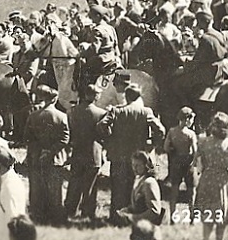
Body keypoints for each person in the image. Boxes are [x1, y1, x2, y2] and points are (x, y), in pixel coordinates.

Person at [98, 83, 166, 224]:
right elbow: (161, 130)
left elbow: (101, 126)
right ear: (138, 96)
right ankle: (133, 217)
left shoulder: (116, 111)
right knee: (136, 188)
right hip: (139, 157)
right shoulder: (145, 111)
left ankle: (117, 217)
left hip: (118, 155)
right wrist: (152, 144)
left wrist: (109, 140)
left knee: (118, 188)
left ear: (126, 96)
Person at [24, 85, 68, 226]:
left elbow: (27, 138)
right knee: (55, 191)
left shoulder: (33, 116)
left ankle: (38, 216)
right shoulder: (62, 116)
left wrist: (38, 151)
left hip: (36, 157)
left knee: (37, 189)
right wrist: (50, 151)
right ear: (54, 99)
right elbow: (64, 139)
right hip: (55, 159)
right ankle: (55, 219)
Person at [194, 112, 228, 240]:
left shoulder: (203, 141)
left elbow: (198, 162)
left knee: (207, 217)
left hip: (207, 179)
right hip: (223, 182)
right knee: (221, 217)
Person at [65, 84, 106, 221]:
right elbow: (105, 134)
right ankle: (88, 212)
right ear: (94, 96)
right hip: (93, 152)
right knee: (91, 185)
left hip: (77, 151)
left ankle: (70, 209)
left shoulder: (73, 111)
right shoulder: (101, 113)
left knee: (74, 182)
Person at [164, 107, 198, 219]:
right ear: (187, 119)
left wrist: (173, 152)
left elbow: (166, 147)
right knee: (191, 191)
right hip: (188, 163)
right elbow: (195, 151)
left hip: (176, 163)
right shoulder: (191, 134)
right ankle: (192, 216)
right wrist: (194, 163)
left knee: (174, 190)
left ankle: (173, 216)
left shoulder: (172, 131)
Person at [116, 151, 163, 226]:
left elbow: (154, 211)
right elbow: (139, 204)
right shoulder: (138, 179)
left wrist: (133, 218)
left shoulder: (149, 182)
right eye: (133, 165)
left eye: (138, 165)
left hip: (149, 229)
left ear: (146, 165)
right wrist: (128, 209)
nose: (134, 168)